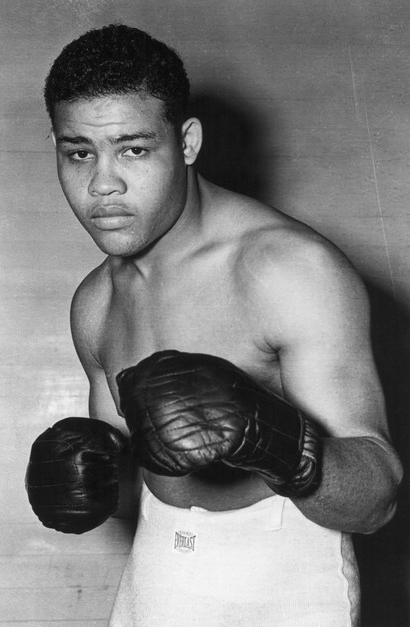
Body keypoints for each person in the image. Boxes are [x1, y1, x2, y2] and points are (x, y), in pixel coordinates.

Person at [25, 24, 403, 626]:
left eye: (133, 148)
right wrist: (90, 480)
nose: (103, 184)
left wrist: (269, 436)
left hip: (286, 579)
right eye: (78, 153)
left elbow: (376, 499)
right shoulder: (95, 302)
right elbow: (135, 488)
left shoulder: (285, 270)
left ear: (188, 142)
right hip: (158, 572)